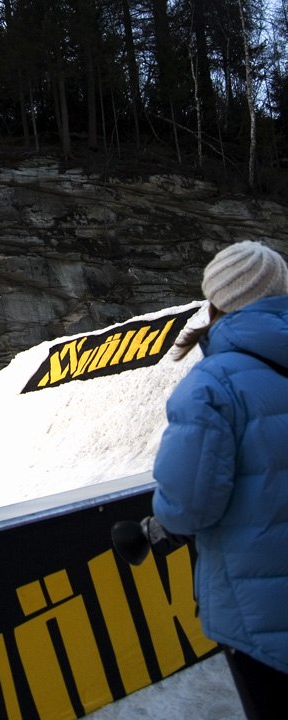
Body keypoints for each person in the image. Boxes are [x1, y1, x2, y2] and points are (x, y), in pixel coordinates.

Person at [151, 240, 288, 719]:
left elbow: (189, 506)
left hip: (263, 612)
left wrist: (158, 520)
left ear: (216, 299)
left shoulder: (214, 384)